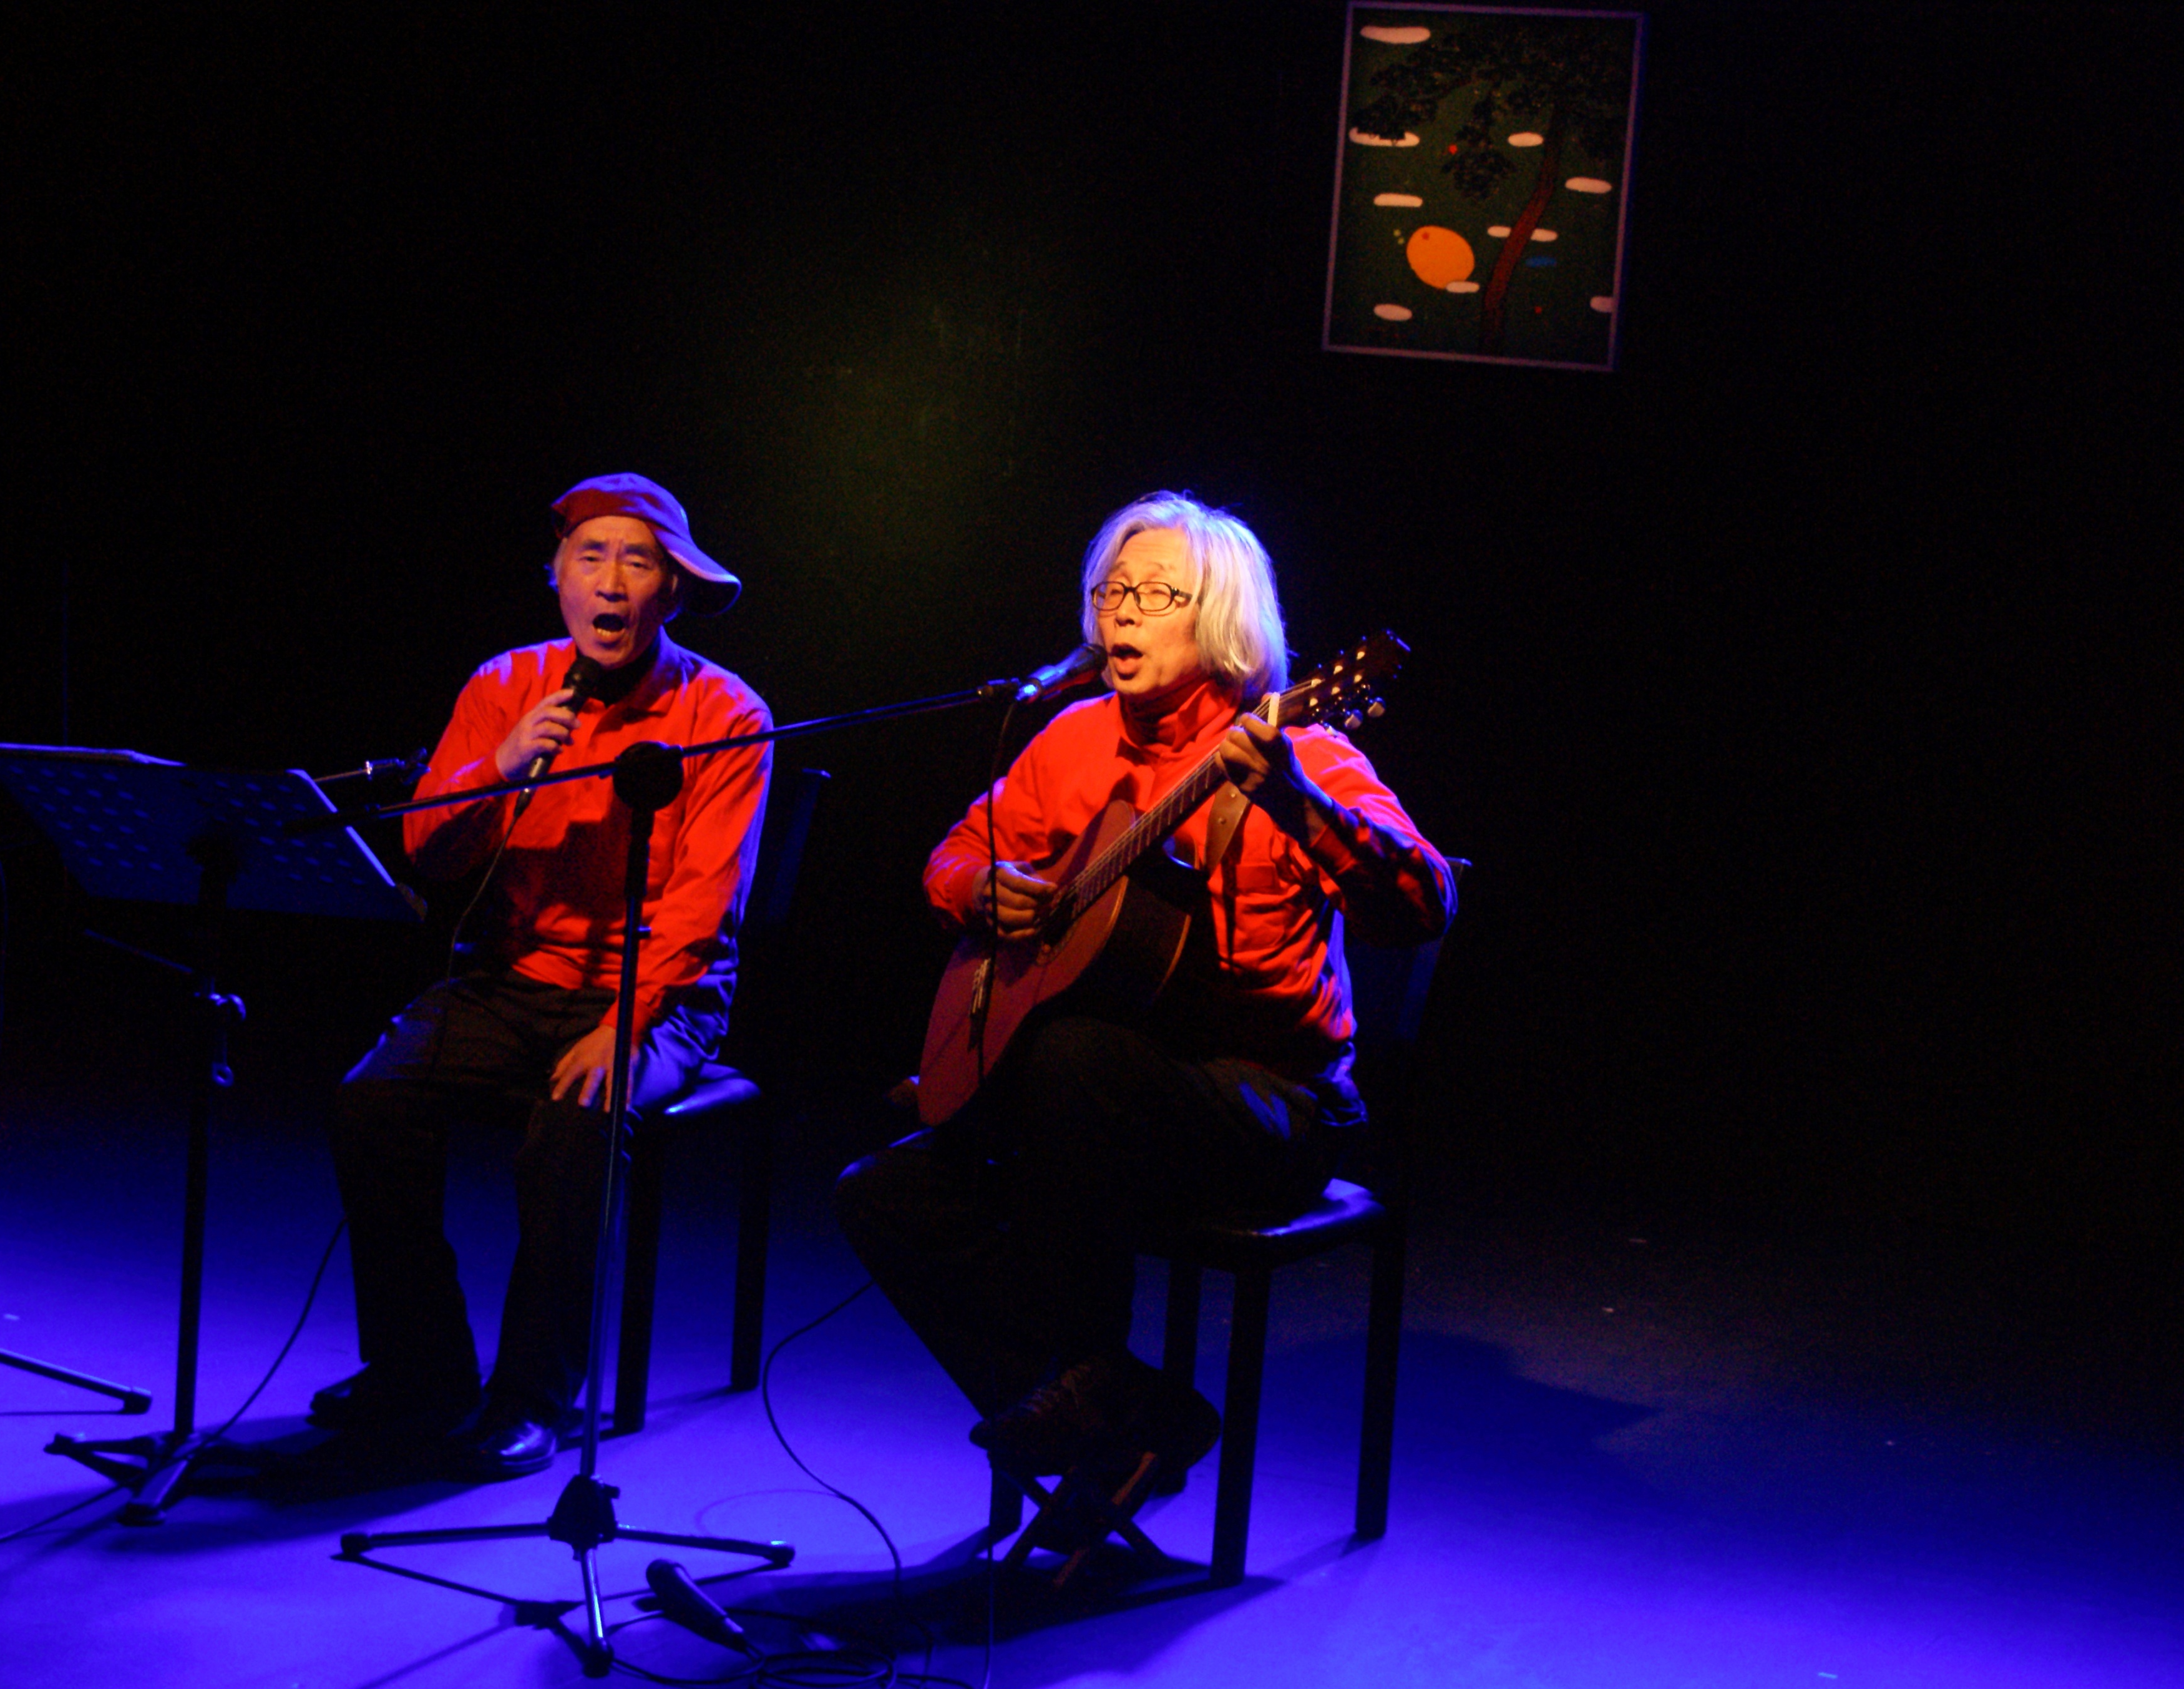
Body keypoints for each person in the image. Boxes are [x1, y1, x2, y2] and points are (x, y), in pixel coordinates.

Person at [836, 491, 1453, 1510]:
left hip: (1271, 1107)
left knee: (1073, 1055)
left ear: (1220, 615)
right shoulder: (1071, 739)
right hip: (1098, 1114)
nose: (1120, 611)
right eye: (1108, 590)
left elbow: (1425, 903)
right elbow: (953, 852)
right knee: (883, 1189)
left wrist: (1299, 804)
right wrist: (976, 888)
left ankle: (1095, 1409)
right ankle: (1124, 1417)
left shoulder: (1307, 750)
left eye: (1154, 593)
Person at [318, 472, 771, 1479]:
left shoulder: (726, 712)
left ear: (672, 590)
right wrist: (500, 766)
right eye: (590, 558)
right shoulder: (504, 686)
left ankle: (533, 1396)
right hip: (510, 978)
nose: (611, 583)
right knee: (369, 1100)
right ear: (557, 577)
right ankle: (420, 1368)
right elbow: (428, 856)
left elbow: (702, 907)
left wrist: (623, 1023)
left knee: (575, 1122)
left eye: (637, 562)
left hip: (657, 997)